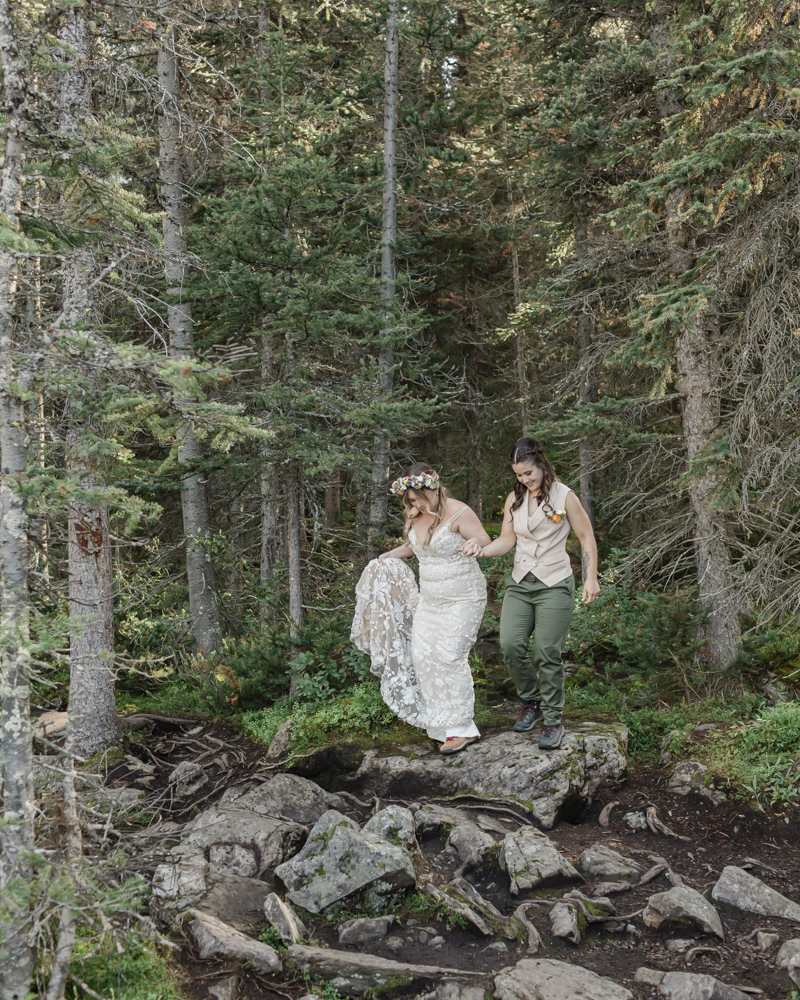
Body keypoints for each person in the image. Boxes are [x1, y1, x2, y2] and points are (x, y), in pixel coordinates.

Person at [461, 438, 599, 751]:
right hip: (521, 583)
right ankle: (531, 701)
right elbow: (507, 540)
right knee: (510, 645)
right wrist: (480, 550)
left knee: (547, 651)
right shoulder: (515, 497)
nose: (524, 479)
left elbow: (586, 537)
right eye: (519, 475)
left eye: (528, 473)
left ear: (540, 463)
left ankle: (552, 721)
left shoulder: (565, 496)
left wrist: (591, 577)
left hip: (554, 583)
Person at [379, 463, 491, 754]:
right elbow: (416, 547)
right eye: (411, 501)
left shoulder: (459, 511)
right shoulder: (417, 514)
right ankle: (442, 724)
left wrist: (474, 545)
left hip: (463, 597)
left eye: (419, 498)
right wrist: (389, 555)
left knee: (449, 655)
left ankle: (462, 728)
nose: (415, 505)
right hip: (430, 600)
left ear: (434, 487)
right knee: (423, 655)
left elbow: (483, 538)